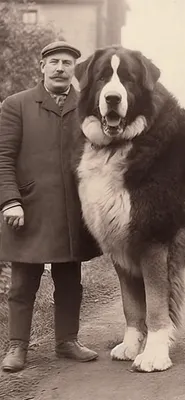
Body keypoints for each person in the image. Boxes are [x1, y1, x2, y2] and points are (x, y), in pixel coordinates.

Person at [0, 41, 102, 373]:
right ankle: (17, 346)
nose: (60, 68)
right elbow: (2, 158)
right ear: (41, 66)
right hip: (27, 208)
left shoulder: (87, 107)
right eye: (54, 61)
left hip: (74, 209)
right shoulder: (16, 105)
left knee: (70, 279)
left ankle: (67, 342)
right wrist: (10, 200)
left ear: (75, 70)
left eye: (68, 63)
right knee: (22, 283)